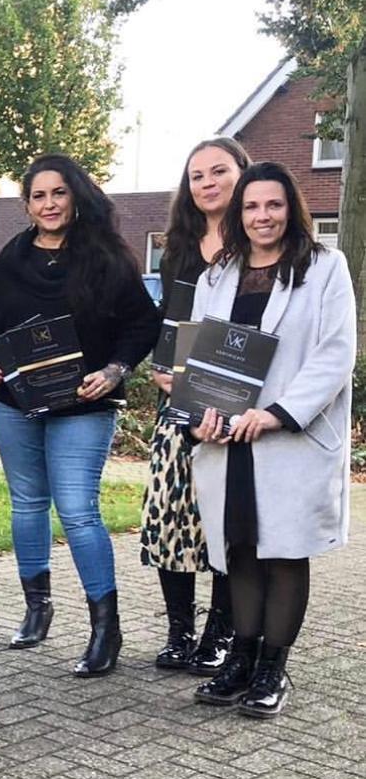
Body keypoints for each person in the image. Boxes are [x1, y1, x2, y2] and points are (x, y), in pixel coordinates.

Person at [0, 154, 160, 675]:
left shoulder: (107, 257)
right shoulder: (12, 257)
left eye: (58, 192)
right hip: (13, 403)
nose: (49, 203)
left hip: (84, 403)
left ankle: (106, 628)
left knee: (78, 510)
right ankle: (37, 608)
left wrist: (116, 370)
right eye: (38, 195)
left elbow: (142, 325)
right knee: (27, 504)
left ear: (76, 195)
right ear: (27, 205)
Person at [189, 162, 354, 718]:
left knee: (283, 550)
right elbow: (199, 359)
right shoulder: (218, 275)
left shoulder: (325, 268)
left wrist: (277, 414)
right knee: (238, 549)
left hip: (288, 438)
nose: (263, 216)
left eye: (274, 205)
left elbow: (335, 353)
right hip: (227, 439)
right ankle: (240, 658)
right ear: (239, 213)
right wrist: (197, 416)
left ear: (292, 209)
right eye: (252, 206)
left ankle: (272, 669)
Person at [141, 138, 248, 672]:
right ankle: (179, 630)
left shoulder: (257, 245)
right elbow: (170, 319)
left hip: (239, 404)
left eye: (219, 171)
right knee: (169, 513)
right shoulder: (178, 248)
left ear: (242, 173)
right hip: (178, 401)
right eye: (197, 175)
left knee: (226, 519)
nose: (207, 183)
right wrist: (160, 369)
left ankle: (220, 633)